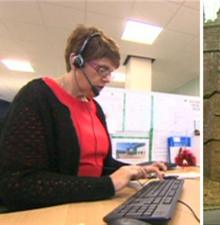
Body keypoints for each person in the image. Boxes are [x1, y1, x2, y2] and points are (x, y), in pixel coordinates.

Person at [0, 25, 166, 212]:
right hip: (49, 213)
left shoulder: (95, 108)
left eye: (111, 72)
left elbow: (102, 165)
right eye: (102, 69)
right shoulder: (37, 96)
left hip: (87, 207)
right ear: (75, 61)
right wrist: (108, 185)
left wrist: (139, 170)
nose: (108, 78)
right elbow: (16, 184)